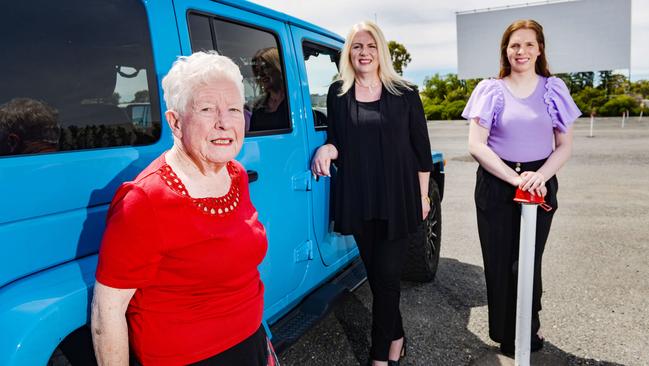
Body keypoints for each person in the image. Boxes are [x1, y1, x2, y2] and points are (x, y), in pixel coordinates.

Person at [91, 51, 278, 366]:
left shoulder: (235, 174)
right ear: (175, 122)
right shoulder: (144, 200)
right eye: (206, 109)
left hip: (252, 340)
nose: (224, 122)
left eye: (233, 109)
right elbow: (106, 312)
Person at [311, 21, 433, 366]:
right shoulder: (338, 94)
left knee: (388, 279)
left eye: (370, 46)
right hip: (360, 197)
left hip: (397, 198)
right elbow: (338, 139)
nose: (364, 53)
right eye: (356, 47)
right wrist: (327, 150)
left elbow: (421, 152)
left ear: (381, 51)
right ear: (348, 53)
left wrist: (423, 198)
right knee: (378, 278)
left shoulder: (404, 94)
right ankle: (396, 338)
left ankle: (380, 356)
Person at [463, 19, 581, 357]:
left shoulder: (553, 88)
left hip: (540, 183)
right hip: (498, 183)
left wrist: (539, 176)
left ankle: (529, 324)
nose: (522, 51)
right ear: (506, 50)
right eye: (515, 45)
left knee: (528, 262)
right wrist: (515, 179)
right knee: (500, 262)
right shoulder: (490, 90)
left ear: (540, 48)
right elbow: (477, 145)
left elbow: (564, 146)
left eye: (529, 44)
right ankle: (506, 332)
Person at [248, 47, 289, 132]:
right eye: (257, 70)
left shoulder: (294, 102)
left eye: (265, 67)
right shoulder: (258, 106)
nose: (260, 74)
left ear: (278, 68)